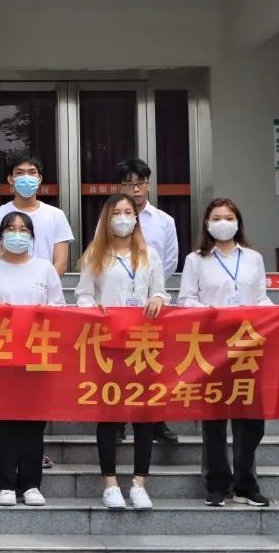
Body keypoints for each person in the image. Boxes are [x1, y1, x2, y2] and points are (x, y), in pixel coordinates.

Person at [178, 198, 279, 508]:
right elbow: (186, 300)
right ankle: (217, 484)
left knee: (251, 419)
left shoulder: (253, 258)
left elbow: (260, 298)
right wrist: (210, 311)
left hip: (248, 345)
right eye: (216, 218)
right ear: (207, 223)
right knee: (214, 418)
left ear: (238, 222)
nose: (222, 223)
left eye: (228, 217)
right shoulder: (196, 260)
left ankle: (245, 484)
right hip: (212, 346)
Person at [74, 193, 169, 510]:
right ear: (107, 218)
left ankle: (139, 484)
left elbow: (160, 291)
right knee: (109, 415)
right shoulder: (95, 254)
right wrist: (94, 309)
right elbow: (83, 295)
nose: (124, 218)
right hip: (108, 345)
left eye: (129, 212)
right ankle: (110, 484)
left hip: (142, 344)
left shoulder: (149, 255)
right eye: (117, 213)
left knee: (144, 415)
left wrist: (158, 298)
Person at [0, 211, 65, 508]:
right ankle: (4, 483)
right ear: (0, 236)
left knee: (32, 421)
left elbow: (59, 307)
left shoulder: (44, 268)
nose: (17, 234)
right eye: (10, 229)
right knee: (3, 422)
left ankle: (31, 483)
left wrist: (41, 313)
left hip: (36, 353)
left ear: (32, 236)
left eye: (23, 229)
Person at [116, 159, 180, 445]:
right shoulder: (110, 219)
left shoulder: (164, 221)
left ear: (149, 184)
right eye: (129, 183)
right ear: (121, 187)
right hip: (118, 305)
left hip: (151, 305)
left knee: (151, 366)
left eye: (140, 183)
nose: (135, 189)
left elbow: (169, 261)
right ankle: (117, 422)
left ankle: (155, 422)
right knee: (118, 366)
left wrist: (153, 289)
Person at [0, 155, 73, 277]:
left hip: (45, 286)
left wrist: (42, 285)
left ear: (39, 179)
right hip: (7, 286)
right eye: (19, 173)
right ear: (11, 179)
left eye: (31, 172)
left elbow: (61, 264)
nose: (26, 177)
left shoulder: (56, 215)